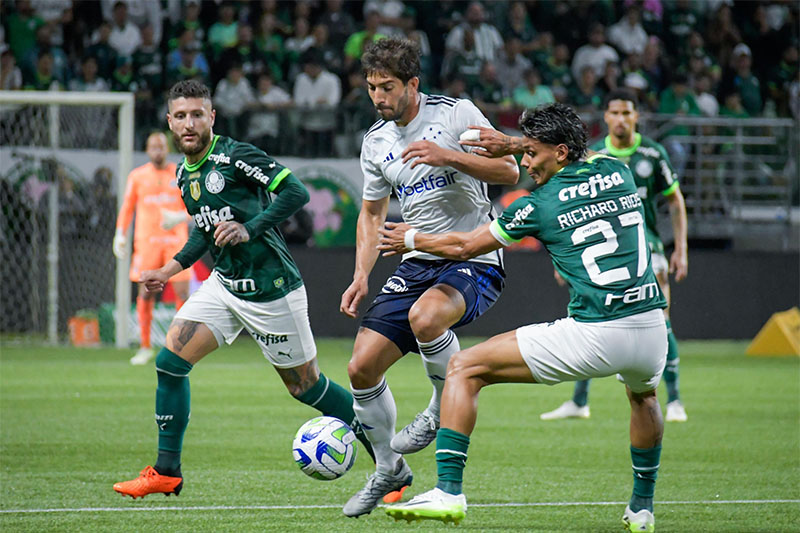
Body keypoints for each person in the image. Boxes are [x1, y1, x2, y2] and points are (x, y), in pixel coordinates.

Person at [381, 103, 667, 533]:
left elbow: (464, 247)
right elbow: (579, 152)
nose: (525, 163)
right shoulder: (618, 172)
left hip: (596, 332)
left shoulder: (537, 206)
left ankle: (448, 492)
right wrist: (517, 143)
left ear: (562, 152)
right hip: (651, 329)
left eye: (532, 154)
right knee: (643, 398)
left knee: (463, 368)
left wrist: (413, 237)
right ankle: (642, 508)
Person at [112, 80, 374, 499]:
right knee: (170, 363)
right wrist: (169, 267)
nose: (189, 123)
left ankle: (390, 467)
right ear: (169, 122)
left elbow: (295, 192)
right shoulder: (184, 172)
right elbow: (203, 230)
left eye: (197, 114)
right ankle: (166, 471)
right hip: (225, 286)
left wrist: (248, 228)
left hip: (272, 289)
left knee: (306, 388)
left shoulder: (234, 156)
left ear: (212, 117)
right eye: (180, 116)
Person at [339, 37, 519, 518]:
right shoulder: (375, 142)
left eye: (388, 86)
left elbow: (510, 169)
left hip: (474, 256)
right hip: (416, 259)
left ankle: (441, 404)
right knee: (360, 368)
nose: (378, 96)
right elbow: (372, 214)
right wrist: (361, 274)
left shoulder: (457, 114)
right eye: (372, 86)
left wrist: (450, 157)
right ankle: (389, 468)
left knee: (427, 318)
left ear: (412, 84)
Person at [540, 89, 689, 423]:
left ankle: (675, 399)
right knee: (592, 317)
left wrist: (681, 248)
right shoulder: (597, 156)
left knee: (660, 319)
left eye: (627, 113)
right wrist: (563, 259)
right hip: (600, 255)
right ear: (605, 117)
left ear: (636, 117)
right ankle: (579, 401)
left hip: (647, 247)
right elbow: (571, 210)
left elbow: (675, 200)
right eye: (615, 113)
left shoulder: (652, 153)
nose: (621, 119)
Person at [113, 132, 190, 366]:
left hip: (176, 242)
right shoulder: (137, 176)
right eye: (153, 147)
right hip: (146, 241)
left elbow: (195, 207)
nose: (158, 151)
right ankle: (145, 345)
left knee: (183, 294)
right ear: (147, 150)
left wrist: (179, 217)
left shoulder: (180, 174)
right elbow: (127, 207)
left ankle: (180, 346)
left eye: (161, 146)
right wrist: (120, 234)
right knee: (146, 293)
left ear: (167, 149)